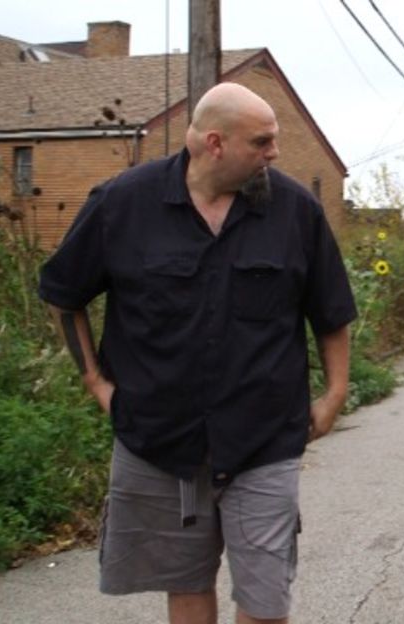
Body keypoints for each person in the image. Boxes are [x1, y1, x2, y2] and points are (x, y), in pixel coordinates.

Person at [39, 82, 357, 624]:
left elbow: (330, 310)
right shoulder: (123, 204)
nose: (273, 153)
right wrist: (95, 382)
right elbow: (63, 294)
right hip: (159, 437)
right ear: (215, 143)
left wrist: (336, 392)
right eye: (261, 141)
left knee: (265, 594)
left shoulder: (295, 211)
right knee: (184, 583)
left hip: (264, 438)